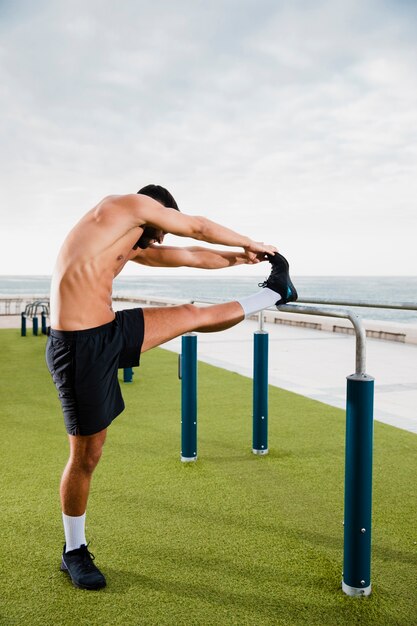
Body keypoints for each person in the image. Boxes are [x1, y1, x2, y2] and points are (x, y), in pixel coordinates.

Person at [46, 184, 297, 590]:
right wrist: (253, 240)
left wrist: (245, 258)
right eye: (162, 227)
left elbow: (192, 256)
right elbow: (195, 229)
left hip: (108, 332)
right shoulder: (124, 206)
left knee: (189, 314)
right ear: (154, 209)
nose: (161, 238)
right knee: (87, 455)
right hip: (78, 348)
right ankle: (73, 550)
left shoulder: (127, 240)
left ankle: (273, 292)